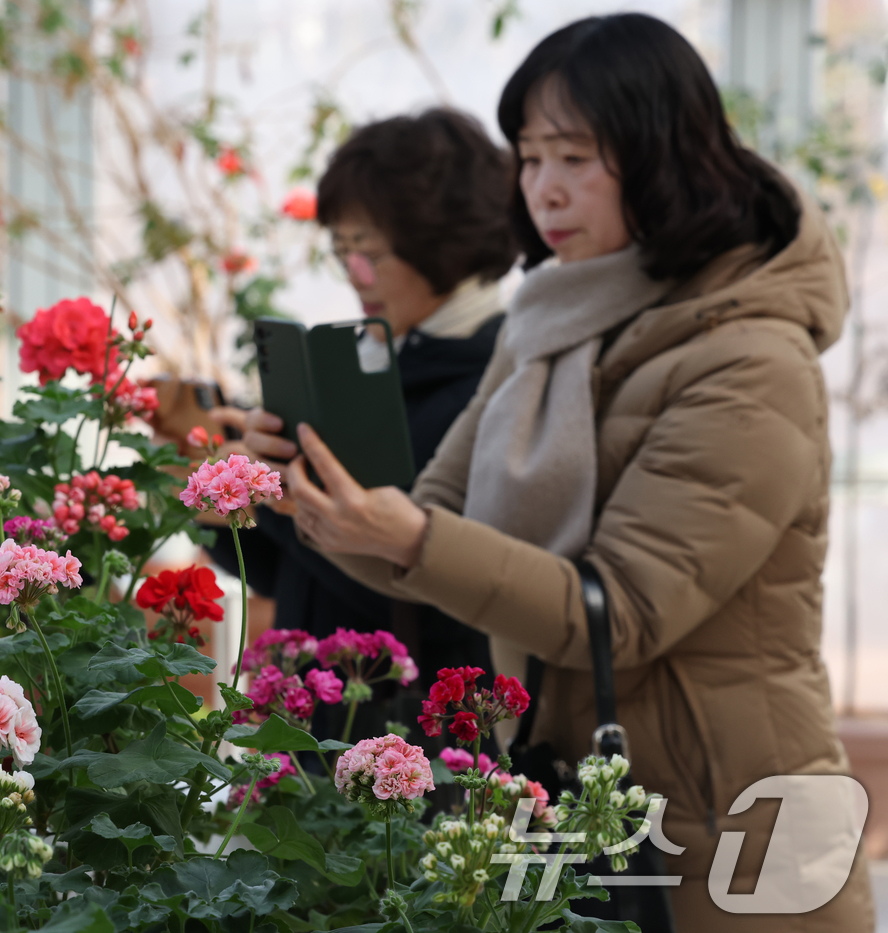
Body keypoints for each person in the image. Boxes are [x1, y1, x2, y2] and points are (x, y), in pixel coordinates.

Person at [240, 14, 872, 931]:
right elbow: (430, 533)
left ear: (662, 156)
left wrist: (412, 537)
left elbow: (626, 609)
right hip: (582, 805)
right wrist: (316, 493)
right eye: (529, 159)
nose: (544, 190)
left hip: (736, 824)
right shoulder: (548, 323)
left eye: (574, 158)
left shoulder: (750, 358)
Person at [198, 108, 516, 747]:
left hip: (422, 750)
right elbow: (295, 576)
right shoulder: (385, 362)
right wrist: (229, 504)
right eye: (341, 250)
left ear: (440, 240)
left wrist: (286, 495)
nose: (353, 275)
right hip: (327, 731)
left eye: (366, 251)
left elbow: (412, 592)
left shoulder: (497, 380)